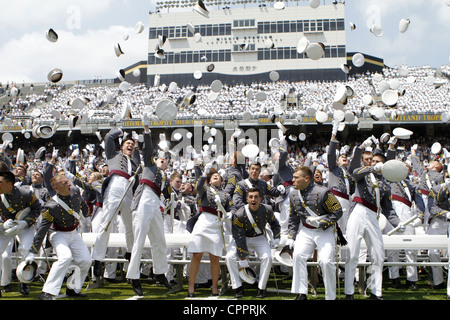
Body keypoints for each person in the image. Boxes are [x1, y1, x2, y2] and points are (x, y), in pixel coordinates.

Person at [26, 174, 91, 300]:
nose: (69, 184)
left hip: (74, 233)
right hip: (57, 234)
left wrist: (87, 216)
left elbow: (82, 203)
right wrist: (33, 251)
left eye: (67, 181)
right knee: (65, 257)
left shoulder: (75, 191)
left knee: (86, 260)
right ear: (56, 188)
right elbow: (43, 229)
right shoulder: (50, 206)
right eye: (64, 183)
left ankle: (73, 288)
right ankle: (47, 291)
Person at [344, 152, 400, 300]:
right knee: (353, 253)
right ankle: (349, 292)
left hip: (374, 215)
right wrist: (372, 168)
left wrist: (398, 223)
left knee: (378, 255)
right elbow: (355, 173)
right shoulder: (364, 174)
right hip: (359, 210)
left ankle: (376, 292)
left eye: (376, 161)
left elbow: (388, 208)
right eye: (370, 160)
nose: (372, 162)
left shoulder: (385, 183)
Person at [125, 119, 172, 296]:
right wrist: (146, 130)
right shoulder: (150, 165)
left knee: (159, 239)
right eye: (161, 158)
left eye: (165, 160)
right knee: (140, 237)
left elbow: (168, 195)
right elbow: (147, 150)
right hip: (144, 196)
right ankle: (134, 276)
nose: (162, 160)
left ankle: (159, 272)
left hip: (155, 201)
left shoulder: (164, 177)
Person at [286, 166, 343, 300]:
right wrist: (291, 237)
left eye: (296, 178)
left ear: (306, 179)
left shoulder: (323, 192)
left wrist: (322, 223)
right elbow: (293, 217)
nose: (292, 180)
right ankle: (301, 293)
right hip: (305, 230)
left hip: (324, 230)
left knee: (325, 261)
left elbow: (338, 211)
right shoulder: (293, 194)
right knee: (298, 255)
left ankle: (330, 296)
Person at [91, 128, 140, 280]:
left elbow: (138, 166)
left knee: (130, 224)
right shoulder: (113, 155)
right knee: (106, 222)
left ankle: (131, 252)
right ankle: (97, 259)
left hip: (129, 188)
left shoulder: (135, 161)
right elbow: (108, 138)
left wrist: (136, 145)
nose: (130, 146)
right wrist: (120, 130)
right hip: (115, 185)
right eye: (128, 144)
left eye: (132, 144)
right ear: (121, 146)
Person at [187, 165, 235, 297]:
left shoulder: (226, 195)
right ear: (209, 179)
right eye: (213, 176)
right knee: (196, 255)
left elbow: (232, 207)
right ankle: (191, 287)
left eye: (218, 176)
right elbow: (198, 187)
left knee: (215, 258)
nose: (216, 176)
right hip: (203, 222)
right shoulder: (205, 189)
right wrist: (203, 174)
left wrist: (230, 213)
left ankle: (214, 288)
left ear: (221, 180)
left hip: (216, 224)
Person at [225, 187, 281, 298]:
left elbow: (275, 224)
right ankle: (238, 287)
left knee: (267, 257)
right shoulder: (239, 214)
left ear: (260, 198)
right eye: (251, 197)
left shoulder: (267, 209)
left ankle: (261, 288)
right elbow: (238, 236)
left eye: (256, 197)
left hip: (259, 237)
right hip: (243, 238)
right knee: (229, 257)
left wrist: (276, 238)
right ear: (247, 199)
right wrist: (242, 257)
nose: (253, 199)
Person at [0, 170, 41, 297]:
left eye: (0, 182)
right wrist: (2, 225)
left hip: (24, 226)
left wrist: (26, 222)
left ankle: (24, 281)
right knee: (2, 254)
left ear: (9, 184)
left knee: (25, 250)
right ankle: (3, 284)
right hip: (6, 228)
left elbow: (37, 208)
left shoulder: (25, 193)